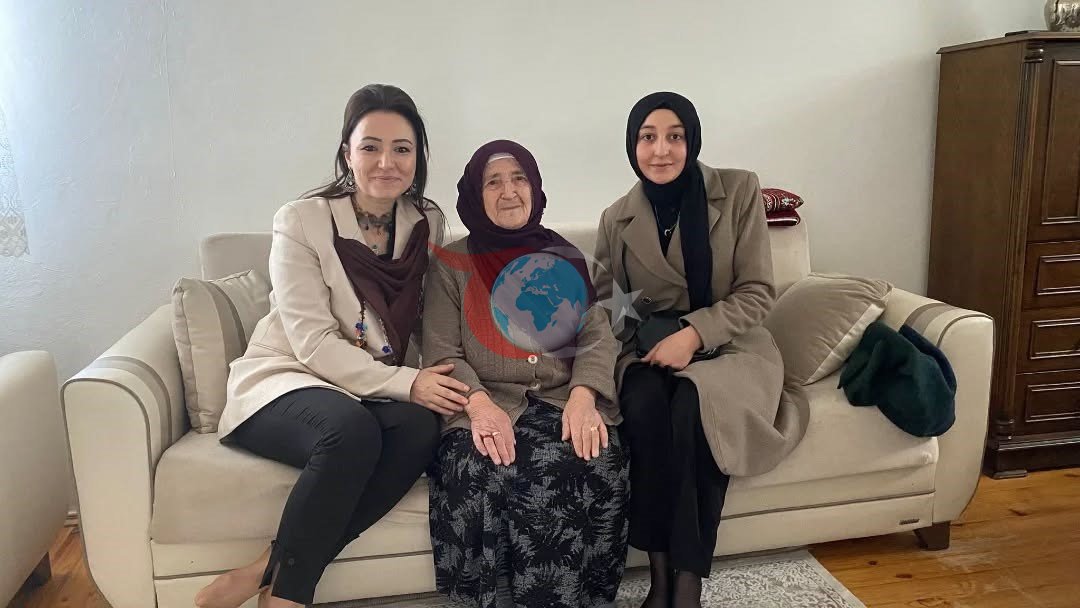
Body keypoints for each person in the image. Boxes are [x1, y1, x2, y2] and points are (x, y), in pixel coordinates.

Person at [195, 84, 464, 608]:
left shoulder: (426, 221)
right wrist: (409, 381)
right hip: (287, 377)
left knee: (419, 427)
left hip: (363, 385)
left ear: (418, 157)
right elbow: (313, 341)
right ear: (347, 153)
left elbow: (427, 315)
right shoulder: (302, 220)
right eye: (370, 147)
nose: (386, 162)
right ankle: (288, 596)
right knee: (350, 431)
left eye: (402, 148)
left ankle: (266, 567)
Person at [592, 92, 809, 608]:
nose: (660, 150)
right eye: (647, 137)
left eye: (675, 136)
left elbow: (757, 291)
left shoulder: (738, 191)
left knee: (694, 406)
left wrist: (692, 335)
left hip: (730, 345)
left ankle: (688, 581)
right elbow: (607, 304)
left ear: (692, 140)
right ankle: (660, 575)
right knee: (644, 405)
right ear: (632, 146)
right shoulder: (616, 218)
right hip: (648, 349)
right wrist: (638, 336)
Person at [423, 140, 629, 608]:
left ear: (535, 187)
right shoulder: (452, 266)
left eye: (519, 178)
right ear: (474, 195)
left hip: (560, 398)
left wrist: (583, 396)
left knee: (598, 456)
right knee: (487, 465)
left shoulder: (564, 255)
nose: (509, 191)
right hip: (482, 402)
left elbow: (597, 336)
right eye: (493, 182)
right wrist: (479, 406)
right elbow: (442, 353)